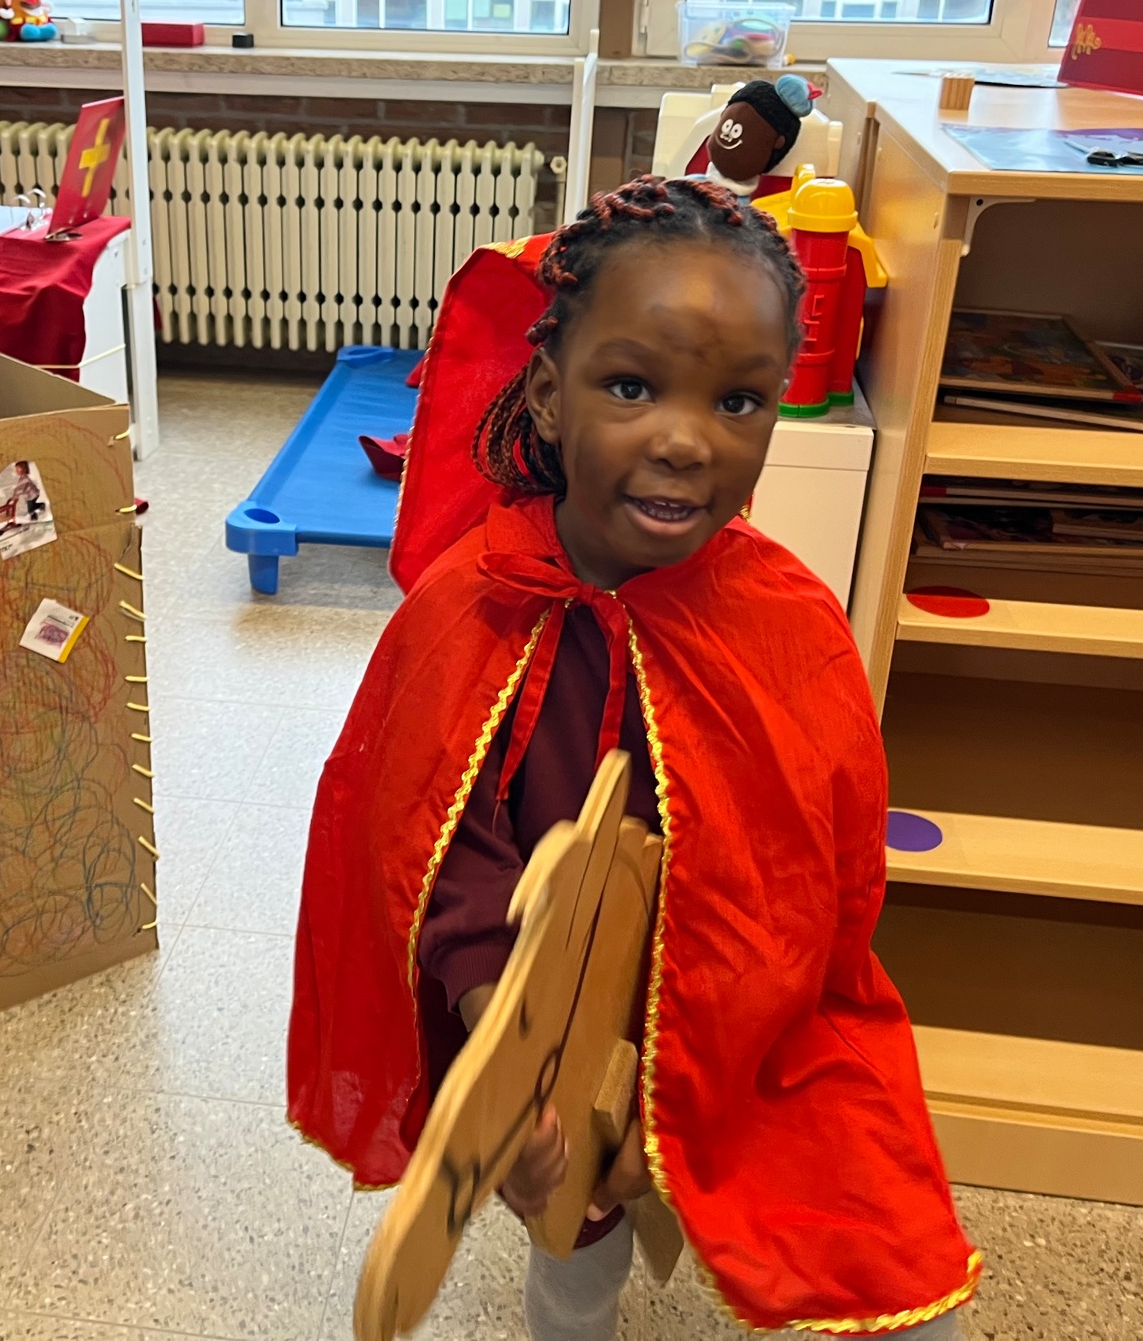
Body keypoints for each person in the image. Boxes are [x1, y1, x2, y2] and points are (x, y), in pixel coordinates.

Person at [288, 176, 977, 1339]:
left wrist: (706, 1055)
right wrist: (510, 1052)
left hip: (758, 1027)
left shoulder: (786, 624)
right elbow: (424, 849)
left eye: (738, 401)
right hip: (550, 1016)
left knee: (886, 1242)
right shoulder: (476, 604)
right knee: (572, 1235)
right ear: (548, 396)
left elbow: (820, 879)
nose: (684, 439)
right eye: (629, 386)